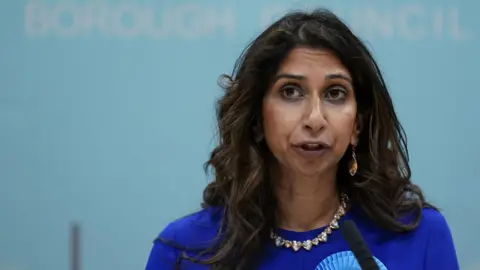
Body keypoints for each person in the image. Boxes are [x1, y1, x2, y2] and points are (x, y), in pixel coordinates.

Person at [145, 9, 459, 270]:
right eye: (290, 92)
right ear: (256, 119)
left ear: (357, 127)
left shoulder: (421, 237)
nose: (314, 119)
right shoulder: (183, 251)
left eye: (335, 93)